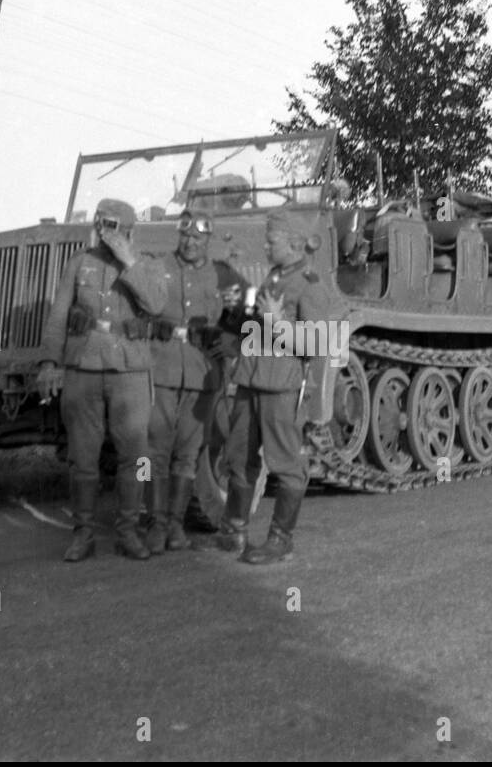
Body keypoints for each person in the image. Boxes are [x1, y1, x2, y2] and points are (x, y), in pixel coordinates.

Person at [37, 198, 167, 562]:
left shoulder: (148, 266)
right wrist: (50, 362)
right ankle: (83, 533)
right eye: (99, 223)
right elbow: (58, 315)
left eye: (110, 224)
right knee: (82, 457)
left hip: (130, 371)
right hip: (83, 368)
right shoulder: (79, 263)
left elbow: (156, 304)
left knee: (135, 455)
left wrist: (129, 262)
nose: (102, 230)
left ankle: (128, 530)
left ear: (128, 229)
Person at [216, 208, 347, 565]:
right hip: (251, 380)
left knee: (286, 463)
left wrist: (275, 322)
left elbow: (318, 343)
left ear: (293, 243)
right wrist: (237, 318)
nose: (265, 245)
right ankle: (233, 530)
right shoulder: (275, 277)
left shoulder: (310, 283)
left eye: (271, 240)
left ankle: (280, 540)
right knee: (239, 456)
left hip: (281, 386)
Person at [143, 210, 245, 554]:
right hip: (162, 368)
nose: (190, 243)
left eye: (198, 239)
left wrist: (231, 341)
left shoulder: (223, 275)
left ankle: (174, 526)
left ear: (208, 241)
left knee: (188, 454)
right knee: (153, 450)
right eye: (185, 237)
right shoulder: (159, 267)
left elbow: (245, 316)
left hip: (203, 373)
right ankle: (155, 524)